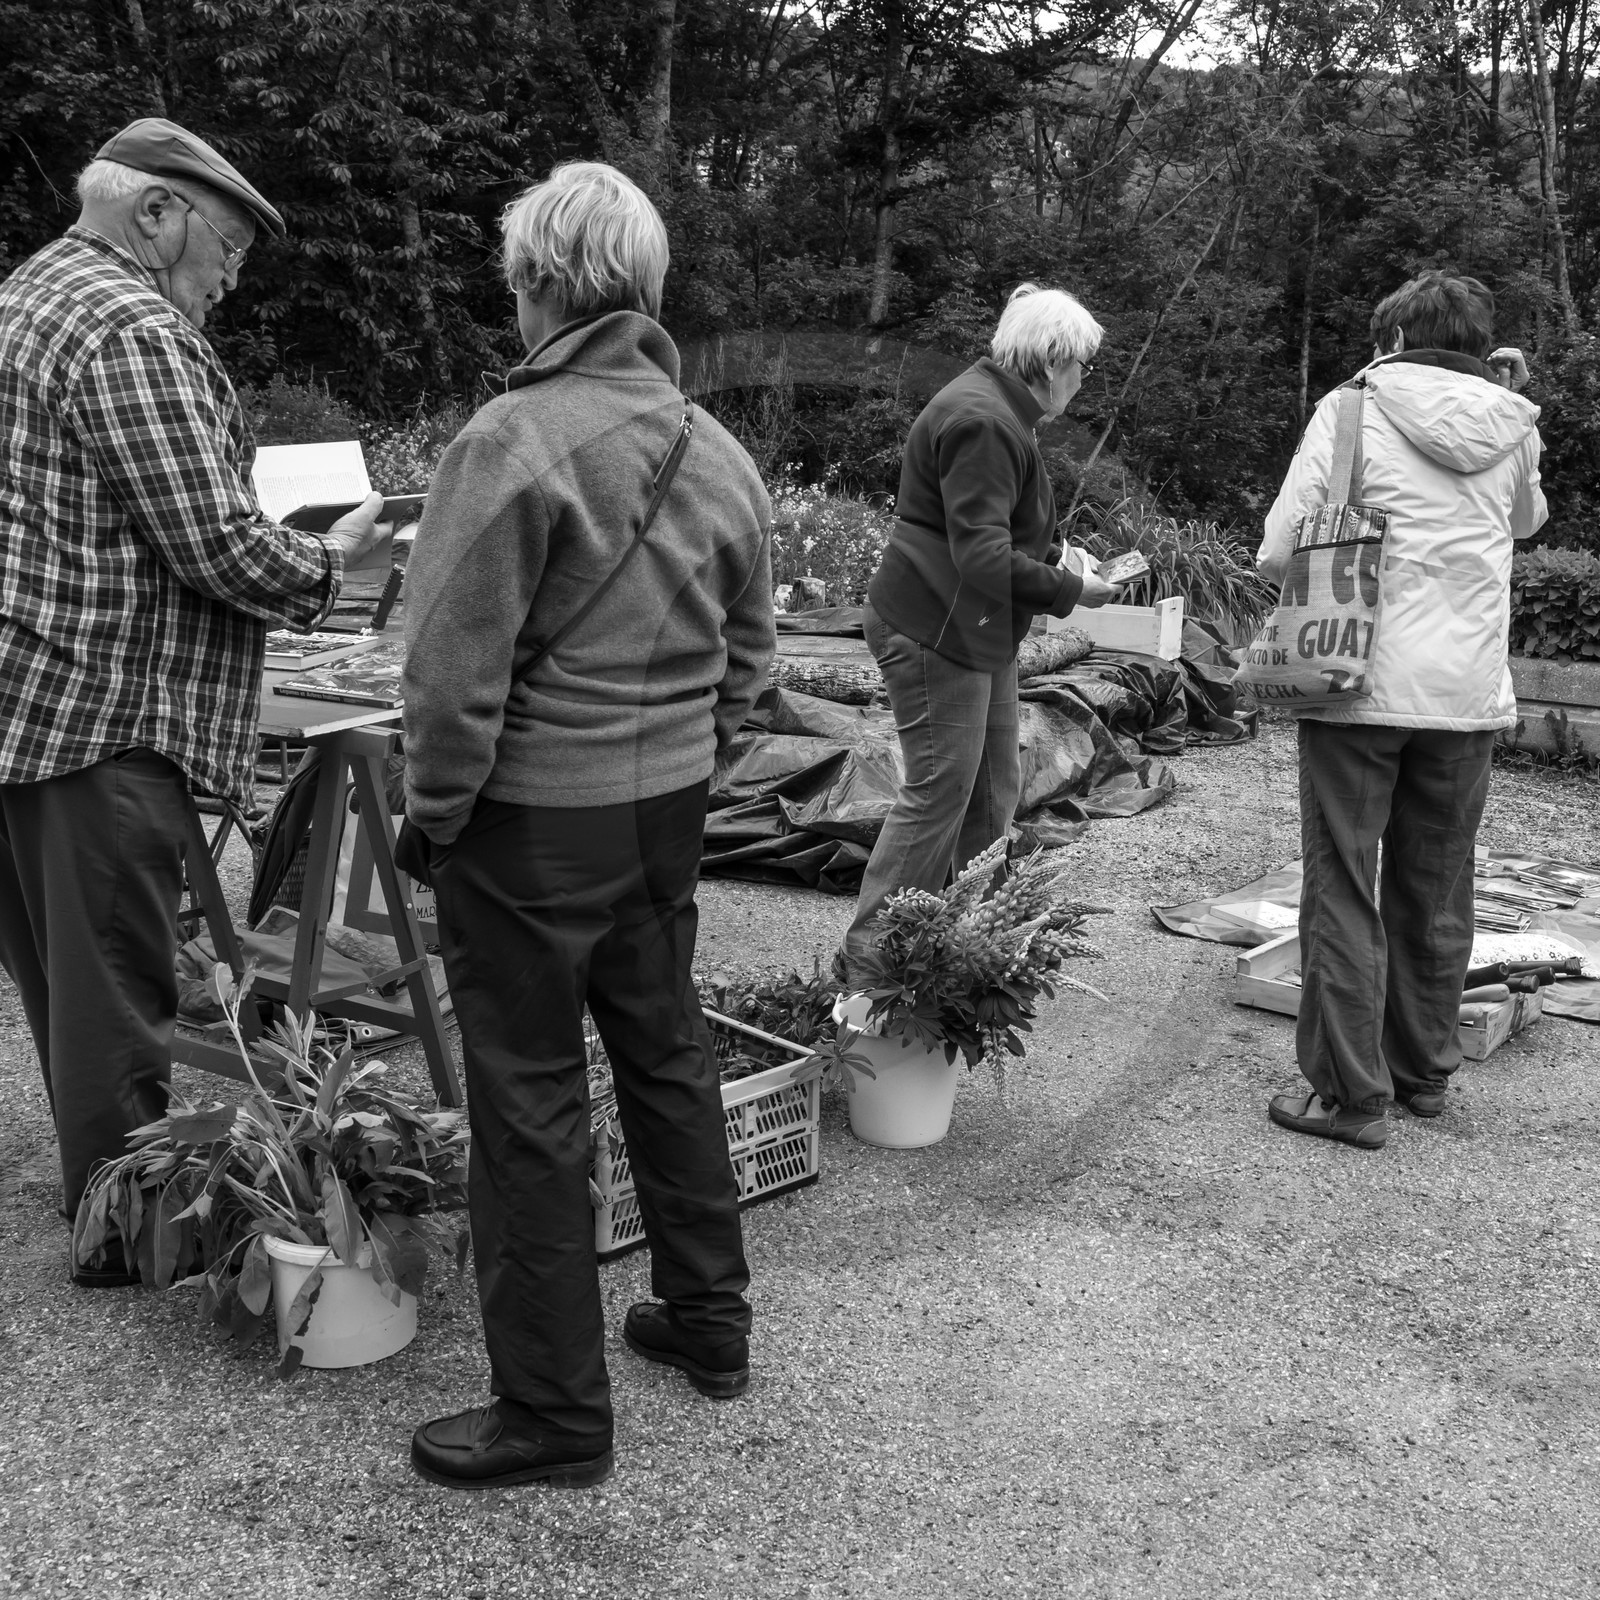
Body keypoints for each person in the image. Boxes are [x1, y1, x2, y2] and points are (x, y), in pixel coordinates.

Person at [401, 162, 776, 1491]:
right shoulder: (718, 450)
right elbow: (755, 663)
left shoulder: (511, 443)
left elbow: (448, 681)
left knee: (530, 1099)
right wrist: (690, 760)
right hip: (663, 812)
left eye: (514, 284)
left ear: (542, 287)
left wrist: (433, 818)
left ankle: (556, 1414)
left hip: (530, 828)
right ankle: (709, 1323)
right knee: (663, 1052)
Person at [0, 117, 389, 1276]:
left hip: (29, 699)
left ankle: (105, 1196)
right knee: (118, 988)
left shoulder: (27, 294)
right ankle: (133, 1240)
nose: (230, 275)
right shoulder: (128, 325)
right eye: (225, 245)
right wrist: (338, 566)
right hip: (101, 709)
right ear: (153, 214)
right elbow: (214, 543)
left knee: (65, 975)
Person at [1258, 270, 1546, 1150]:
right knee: (1437, 882)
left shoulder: (1350, 410)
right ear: (1475, 344)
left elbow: (1278, 552)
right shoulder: (1512, 423)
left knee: (1344, 880)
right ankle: (1423, 1075)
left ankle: (1351, 1095)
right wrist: (1508, 399)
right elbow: (1528, 524)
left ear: (1389, 339)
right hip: (1465, 695)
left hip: (1359, 682)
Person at [839, 283, 1119, 979]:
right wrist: (1072, 590)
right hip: (936, 629)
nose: (1083, 382)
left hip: (975, 629)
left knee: (994, 787)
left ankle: (961, 943)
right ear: (1052, 359)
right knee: (940, 790)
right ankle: (870, 960)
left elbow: (995, 529)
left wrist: (1056, 557)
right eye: (1081, 365)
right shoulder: (985, 420)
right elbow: (981, 555)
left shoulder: (1000, 409)